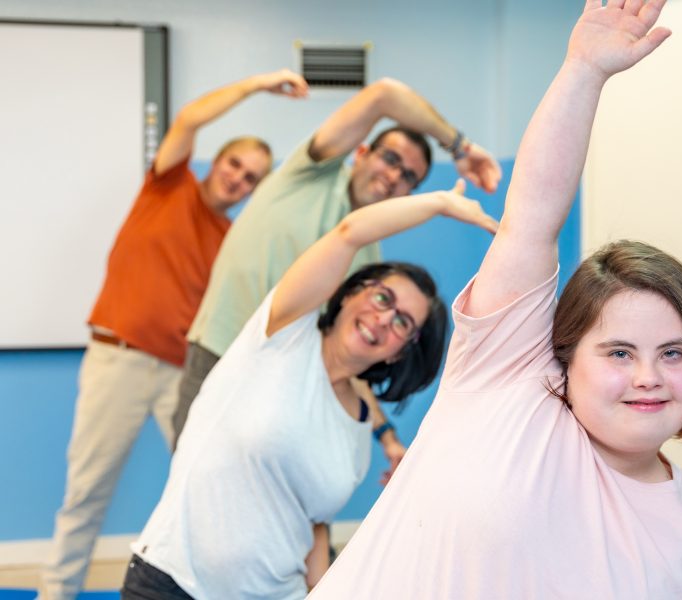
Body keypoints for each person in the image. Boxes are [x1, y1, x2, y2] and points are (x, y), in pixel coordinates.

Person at [308, 1, 682, 598]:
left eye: (673, 352)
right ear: (566, 356)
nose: (649, 376)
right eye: (619, 352)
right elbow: (531, 221)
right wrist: (585, 71)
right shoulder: (506, 381)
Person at [118, 181, 499, 600]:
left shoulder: (357, 433)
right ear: (352, 292)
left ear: (400, 353)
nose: (383, 318)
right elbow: (349, 233)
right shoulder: (283, 331)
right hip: (170, 582)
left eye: (403, 322)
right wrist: (439, 202)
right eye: (382, 297)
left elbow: (311, 525)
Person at [38, 70, 308, 600]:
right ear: (216, 161)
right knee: (87, 491)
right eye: (235, 165)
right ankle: (56, 593)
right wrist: (256, 87)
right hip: (120, 360)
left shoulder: (231, 239)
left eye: (252, 178)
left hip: (183, 377)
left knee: (205, 488)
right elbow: (189, 119)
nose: (239, 180)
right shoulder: (168, 186)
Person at [171, 77, 503, 478]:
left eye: (409, 177)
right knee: (194, 486)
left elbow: (348, 352)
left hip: (277, 381)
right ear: (361, 152)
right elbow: (385, 94)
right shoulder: (311, 173)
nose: (395, 176)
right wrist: (460, 147)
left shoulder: (368, 269)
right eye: (391, 160)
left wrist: (386, 436)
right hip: (217, 351)